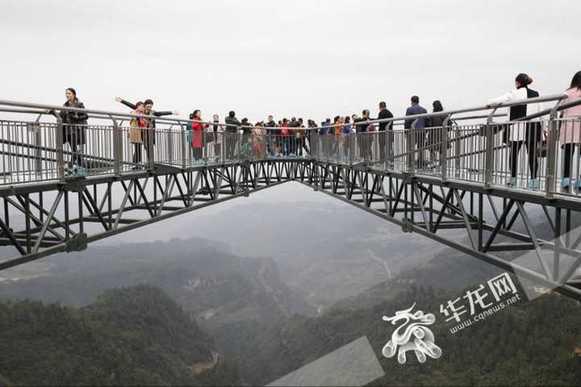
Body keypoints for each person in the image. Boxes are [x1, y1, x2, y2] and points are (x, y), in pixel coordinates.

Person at [489, 73, 542, 189]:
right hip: (532, 127)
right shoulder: (535, 94)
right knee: (532, 155)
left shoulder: (514, 93)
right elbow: (540, 110)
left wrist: (488, 103)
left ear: (518, 82)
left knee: (513, 154)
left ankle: (513, 179)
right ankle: (534, 182)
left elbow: (498, 100)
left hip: (517, 128)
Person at [115, 97, 175, 164]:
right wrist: (121, 101)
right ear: (144, 105)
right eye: (148, 106)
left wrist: (172, 112)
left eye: (150, 106)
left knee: (149, 149)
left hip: (148, 133)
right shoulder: (141, 110)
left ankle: (150, 163)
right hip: (139, 132)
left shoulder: (152, 112)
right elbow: (132, 106)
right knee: (138, 149)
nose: (149, 108)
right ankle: (135, 163)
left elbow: (160, 113)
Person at [560, 71, 581, 191]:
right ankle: (580, 182)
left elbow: (560, 109)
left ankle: (566, 181)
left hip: (569, 126)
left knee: (568, 154)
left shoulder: (567, 93)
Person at [59, 88, 88, 170]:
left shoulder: (79, 104)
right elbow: (60, 116)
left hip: (76, 129)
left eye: (69, 93)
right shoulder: (65, 105)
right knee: (74, 149)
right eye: (66, 93)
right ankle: (82, 166)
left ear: (74, 94)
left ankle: (71, 165)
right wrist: (52, 112)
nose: (67, 95)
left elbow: (86, 115)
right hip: (68, 130)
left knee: (74, 149)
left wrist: (76, 117)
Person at [405, 96, 428, 169]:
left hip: (412, 131)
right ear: (418, 101)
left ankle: (410, 164)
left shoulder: (409, 109)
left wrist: (406, 131)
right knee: (420, 148)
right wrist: (426, 131)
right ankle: (420, 164)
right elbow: (427, 121)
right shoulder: (424, 110)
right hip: (422, 131)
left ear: (412, 101)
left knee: (410, 148)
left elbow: (407, 121)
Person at [426, 100, 447, 166]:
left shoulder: (432, 115)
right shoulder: (444, 114)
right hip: (442, 133)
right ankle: (441, 164)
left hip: (433, 133)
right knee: (442, 149)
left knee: (431, 148)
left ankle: (433, 162)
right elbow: (449, 125)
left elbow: (429, 124)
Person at [128, 102, 148, 168]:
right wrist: (142, 117)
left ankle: (137, 163)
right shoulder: (134, 112)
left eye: (143, 106)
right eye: (142, 106)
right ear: (138, 106)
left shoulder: (141, 114)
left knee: (138, 148)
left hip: (139, 132)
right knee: (137, 148)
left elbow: (146, 122)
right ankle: (135, 164)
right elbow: (136, 118)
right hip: (135, 132)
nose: (143, 108)